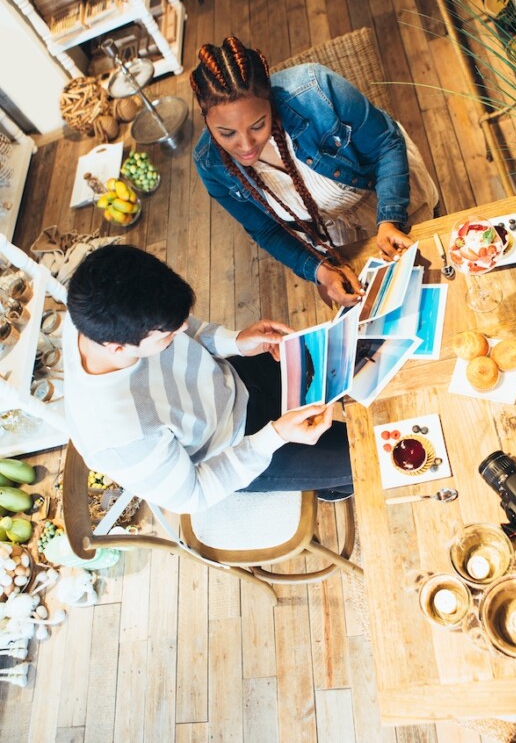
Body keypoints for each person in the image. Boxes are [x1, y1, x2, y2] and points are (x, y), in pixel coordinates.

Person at [63, 244, 353, 516]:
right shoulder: (119, 436)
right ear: (118, 348)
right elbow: (195, 495)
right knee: (366, 460)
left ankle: (330, 478)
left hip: (232, 378)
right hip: (237, 448)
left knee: (351, 357)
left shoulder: (95, 313)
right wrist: (275, 436)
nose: (184, 329)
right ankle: (331, 483)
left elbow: (183, 325)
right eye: (168, 337)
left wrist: (236, 341)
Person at [190, 35, 439, 308]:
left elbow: (385, 145)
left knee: (436, 272)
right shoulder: (210, 164)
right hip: (337, 239)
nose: (246, 145)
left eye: (258, 125)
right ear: (205, 116)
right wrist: (320, 271)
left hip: (386, 190)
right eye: (227, 133)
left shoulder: (317, 88)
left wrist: (390, 217)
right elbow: (267, 231)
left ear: (269, 101)